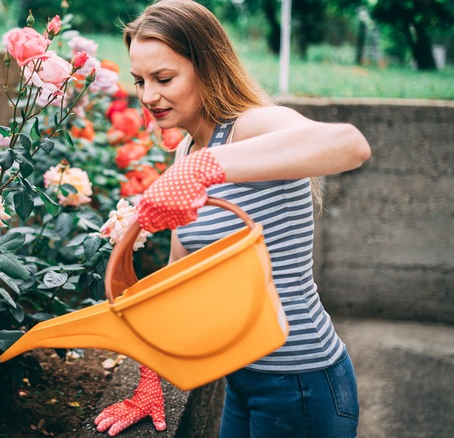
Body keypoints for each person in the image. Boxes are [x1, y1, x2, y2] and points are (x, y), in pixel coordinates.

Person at [93, 0, 371, 437]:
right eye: (140, 81)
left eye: (163, 78)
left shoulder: (250, 126)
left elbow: (350, 144)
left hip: (301, 385)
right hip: (242, 381)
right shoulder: (189, 150)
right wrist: (151, 382)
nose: (148, 96)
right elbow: (176, 281)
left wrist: (206, 168)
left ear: (206, 68)